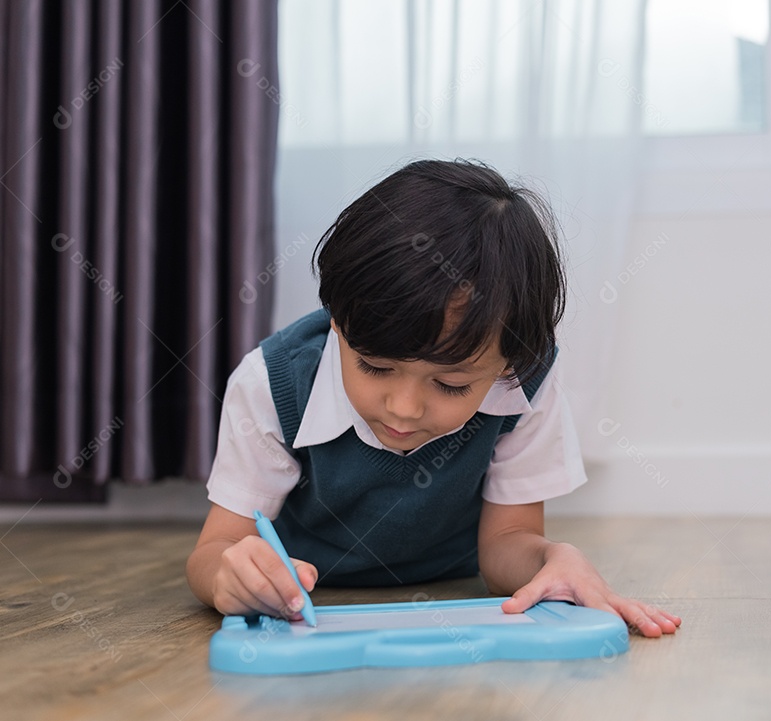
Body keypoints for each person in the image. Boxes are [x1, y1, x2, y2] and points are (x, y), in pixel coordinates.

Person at [185, 159, 681, 637]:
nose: (404, 408)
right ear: (337, 322)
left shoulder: (523, 383)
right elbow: (217, 549)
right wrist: (230, 578)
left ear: (509, 363)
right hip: (304, 593)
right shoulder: (272, 382)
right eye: (375, 367)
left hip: (454, 585)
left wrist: (555, 559)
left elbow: (507, 544)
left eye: (451, 385)